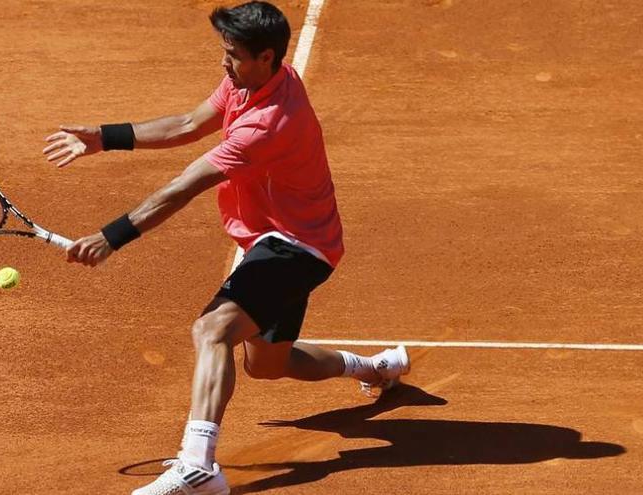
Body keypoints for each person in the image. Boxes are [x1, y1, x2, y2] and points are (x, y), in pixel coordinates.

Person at [41, 2, 410, 494]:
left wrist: (110, 237)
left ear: (265, 56)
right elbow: (187, 124)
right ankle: (375, 367)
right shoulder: (256, 80)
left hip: (298, 247)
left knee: (212, 330)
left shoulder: (267, 124)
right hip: (276, 237)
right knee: (266, 365)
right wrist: (105, 138)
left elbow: (182, 188)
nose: (224, 62)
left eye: (232, 54)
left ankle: (199, 465)